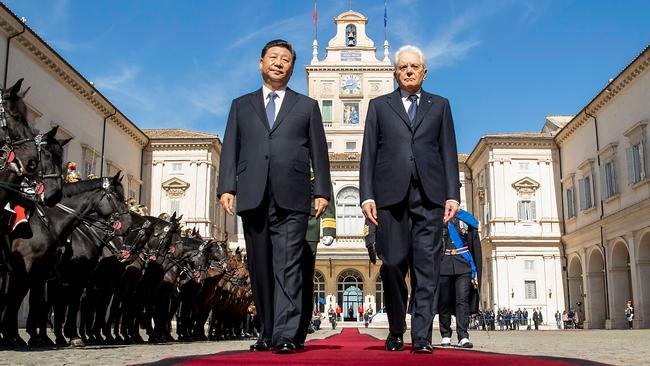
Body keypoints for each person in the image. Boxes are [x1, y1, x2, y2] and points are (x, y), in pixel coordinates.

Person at [217, 39, 331, 354]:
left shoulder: (307, 106)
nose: (279, 63)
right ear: (261, 63)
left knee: (289, 264)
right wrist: (227, 186)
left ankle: (286, 335)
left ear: (292, 68)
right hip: (253, 195)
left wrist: (322, 191)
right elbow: (230, 148)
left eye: (285, 60)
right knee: (260, 266)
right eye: (273, 58)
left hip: (294, 197)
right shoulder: (241, 105)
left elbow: (319, 153)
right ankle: (266, 332)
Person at [359, 45, 460, 354]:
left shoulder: (440, 105)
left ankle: (421, 338)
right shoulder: (379, 106)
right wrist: (366, 196)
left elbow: (447, 152)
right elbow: (369, 155)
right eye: (403, 67)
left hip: (429, 198)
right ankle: (395, 329)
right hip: (391, 199)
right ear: (395, 73)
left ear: (424, 72)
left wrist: (452, 194)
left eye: (414, 66)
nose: (409, 71)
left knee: (427, 268)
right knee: (391, 265)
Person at [297, 177, 336, 348]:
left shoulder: (313, 154)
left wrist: (329, 228)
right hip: (281, 224)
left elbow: (324, 186)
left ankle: (300, 329)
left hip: (309, 226)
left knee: (305, 280)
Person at [438, 211, 482, 349]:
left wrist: (475, 267)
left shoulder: (466, 218)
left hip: (463, 265)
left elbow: (474, 243)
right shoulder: (437, 217)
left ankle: (463, 335)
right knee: (444, 301)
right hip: (443, 264)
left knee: (462, 300)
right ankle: (445, 334)